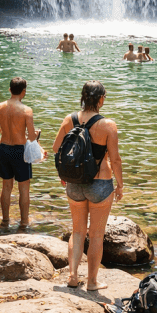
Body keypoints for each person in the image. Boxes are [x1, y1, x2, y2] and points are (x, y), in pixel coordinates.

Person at [53, 81, 123, 290]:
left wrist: (63, 174)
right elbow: (115, 159)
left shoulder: (70, 119)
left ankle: (73, 276)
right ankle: (92, 282)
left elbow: (57, 148)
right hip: (100, 184)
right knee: (96, 235)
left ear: (83, 97)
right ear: (101, 99)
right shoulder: (107, 125)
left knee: (77, 232)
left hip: (74, 183)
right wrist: (120, 185)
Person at [0, 77, 44, 227]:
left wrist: (7, 130)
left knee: (6, 187)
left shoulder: (0, 107)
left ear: (9, 90)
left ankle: (5, 221)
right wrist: (34, 134)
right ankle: (24, 222)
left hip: (4, 149)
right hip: (20, 151)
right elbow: (32, 136)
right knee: (24, 189)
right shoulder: (26, 110)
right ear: (24, 92)